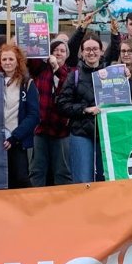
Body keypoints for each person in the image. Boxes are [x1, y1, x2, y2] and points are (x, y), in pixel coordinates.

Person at [56, 22, 109, 183]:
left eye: (95, 49)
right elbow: (62, 104)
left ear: (101, 51)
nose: (91, 52)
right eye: (88, 49)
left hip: (106, 133)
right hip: (81, 133)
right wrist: (85, 109)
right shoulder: (74, 75)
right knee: (82, 180)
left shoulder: (112, 73)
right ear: (82, 52)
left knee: (104, 179)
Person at [28, 40, 73, 187]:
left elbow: (65, 84)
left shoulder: (70, 73)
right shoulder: (40, 70)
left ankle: (63, 199)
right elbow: (32, 58)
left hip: (61, 130)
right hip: (40, 128)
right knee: (37, 170)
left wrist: (56, 68)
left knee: (62, 171)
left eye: (62, 51)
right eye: (55, 50)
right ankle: (36, 199)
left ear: (67, 55)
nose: (58, 53)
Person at [0, 45, 40, 189]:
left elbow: (34, 115)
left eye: (11, 59)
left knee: (21, 178)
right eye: (4, 59)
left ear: (18, 61)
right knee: (1, 181)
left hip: (18, 141)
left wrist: (15, 137)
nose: (7, 62)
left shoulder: (27, 83)